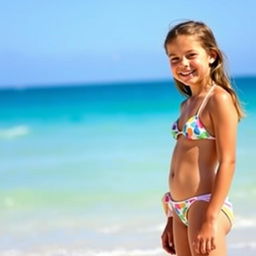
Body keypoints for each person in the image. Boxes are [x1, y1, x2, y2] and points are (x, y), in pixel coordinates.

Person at [161, 20, 244, 256]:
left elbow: (228, 161)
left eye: (190, 55)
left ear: (211, 55)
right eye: (174, 58)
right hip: (178, 208)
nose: (183, 64)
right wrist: (170, 214)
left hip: (204, 204)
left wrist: (210, 217)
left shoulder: (218, 99)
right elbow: (180, 161)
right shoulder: (186, 104)